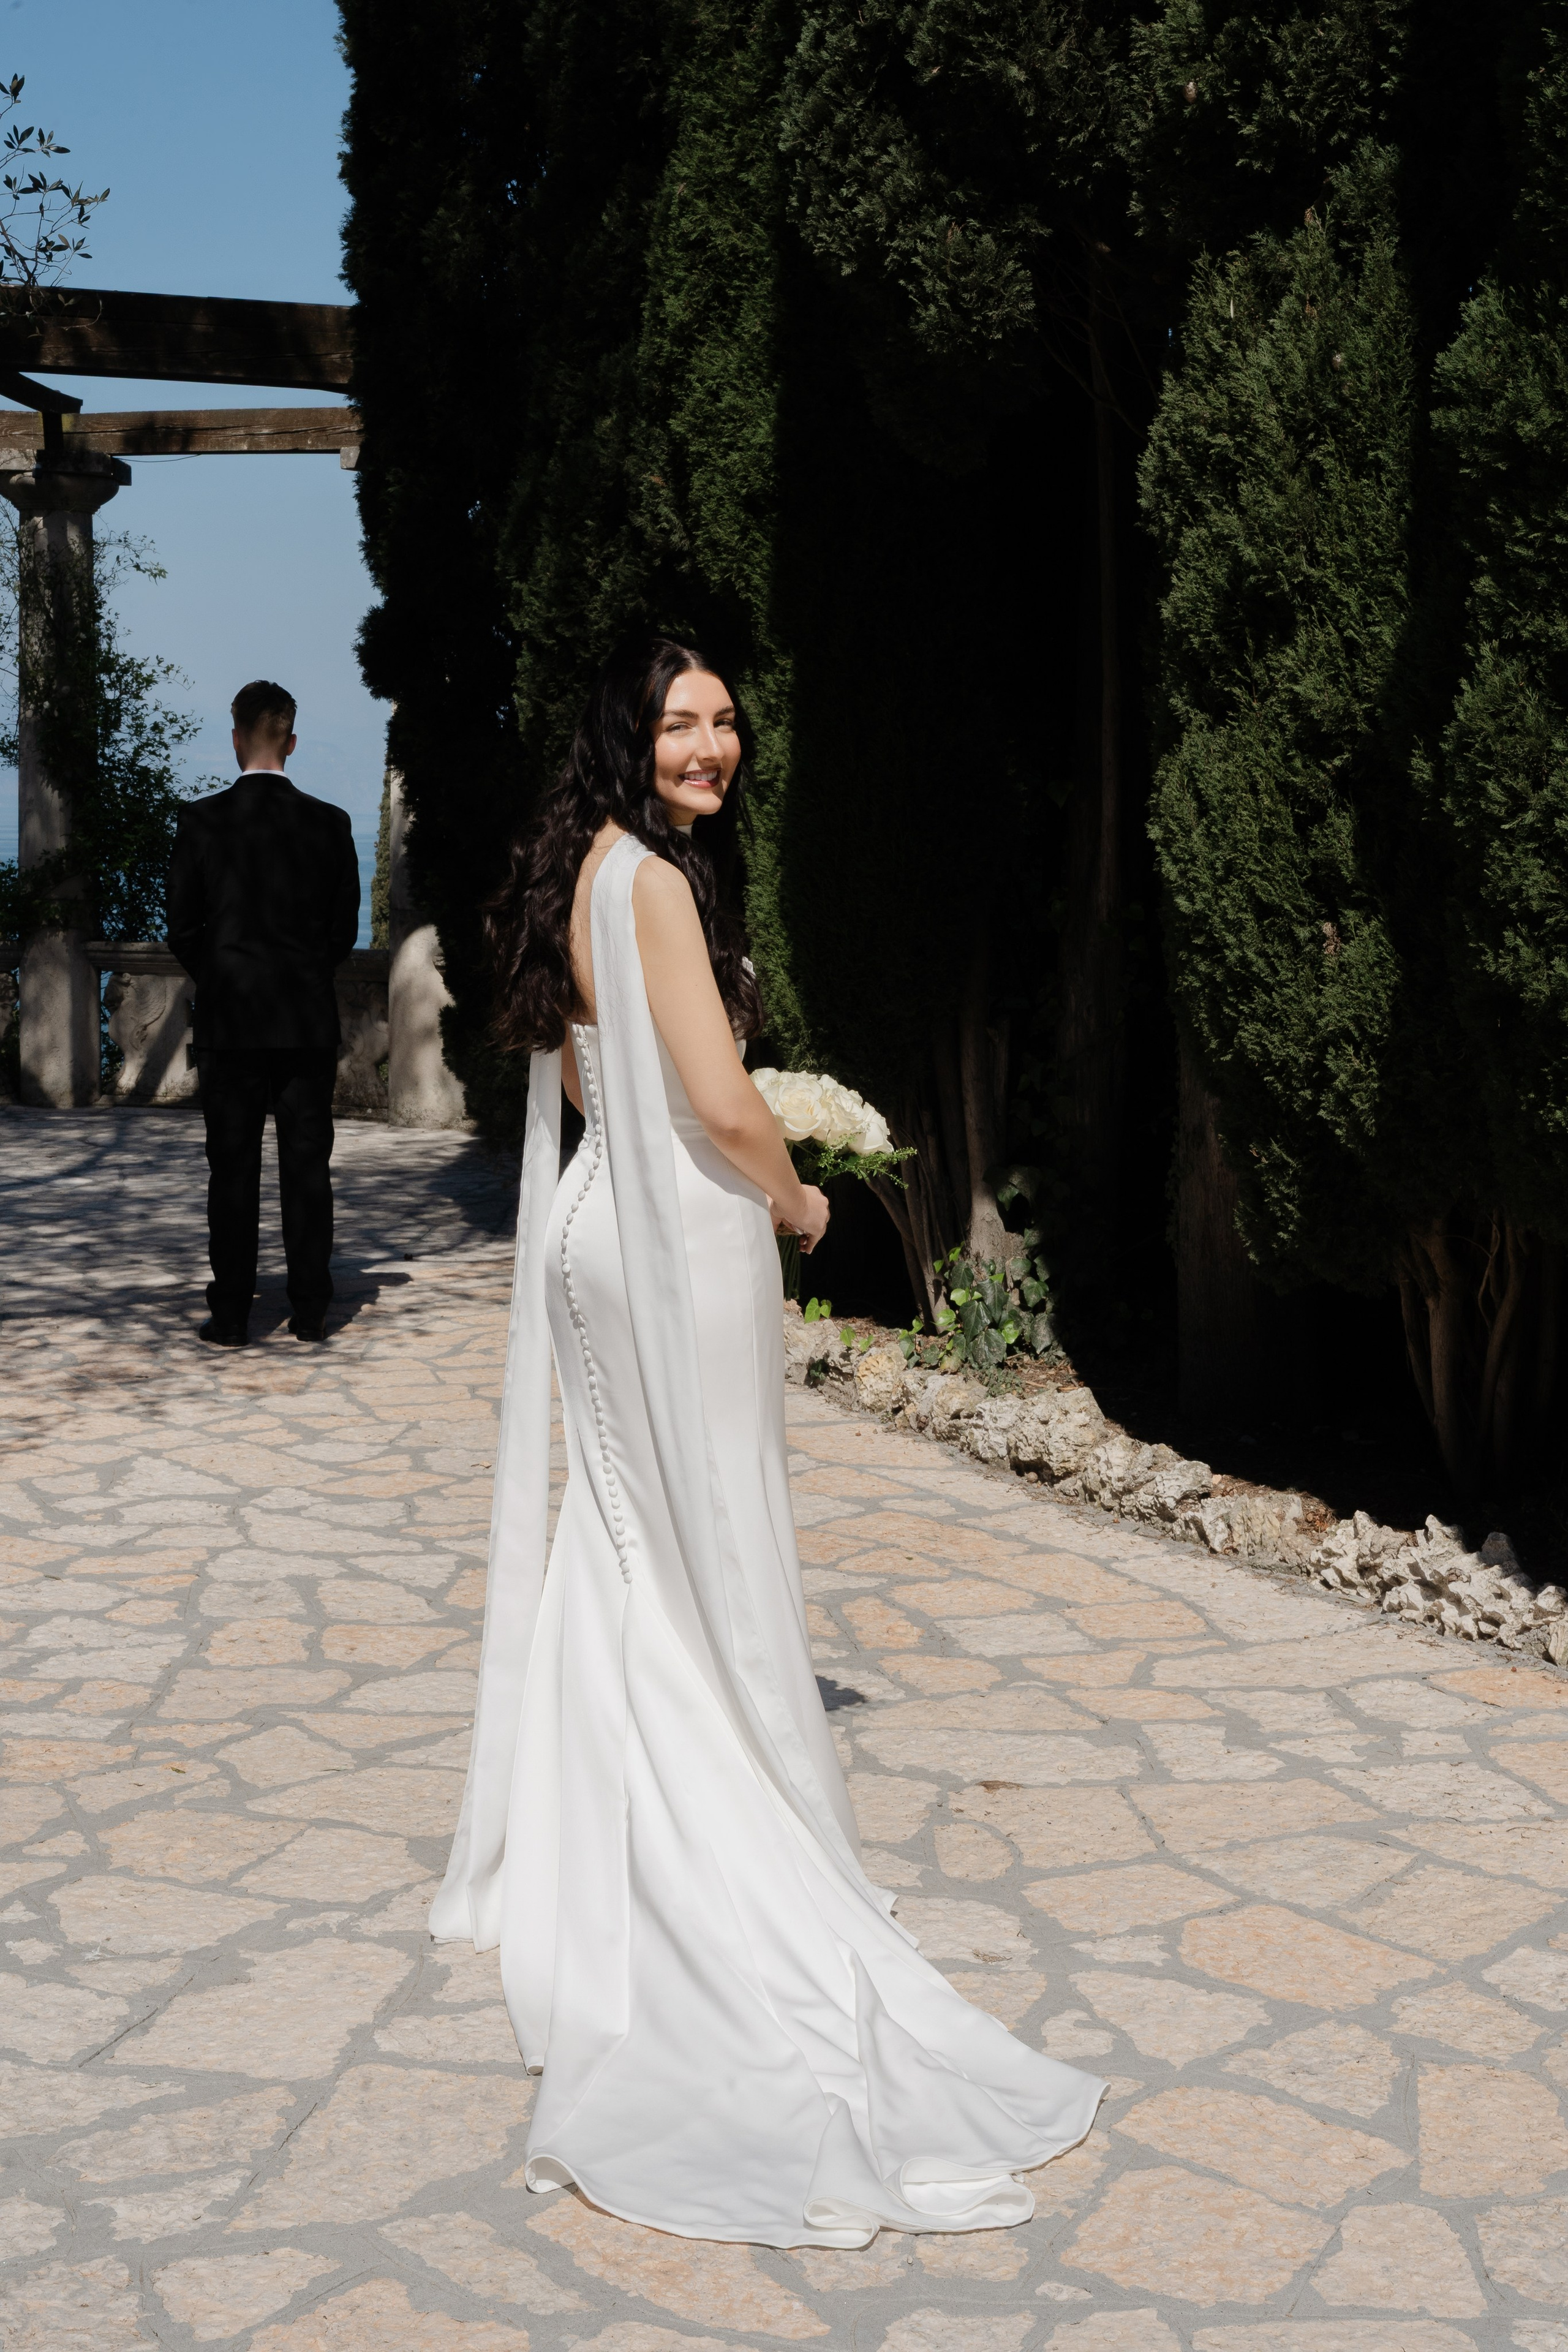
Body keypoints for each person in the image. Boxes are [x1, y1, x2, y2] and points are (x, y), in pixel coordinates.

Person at [433, 634, 1104, 2248]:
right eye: (682, 722)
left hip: (600, 1229)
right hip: (677, 1236)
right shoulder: (656, 885)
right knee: (717, 1545)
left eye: (727, 721)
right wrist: (799, 1196)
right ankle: (726, 1825)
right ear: (629, 737)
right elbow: (720, 1103)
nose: (713, 746)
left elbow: (605, 1086)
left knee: (627, 1541)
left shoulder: (586, 869)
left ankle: (601, 1830)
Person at [166, 679, 360, 1348]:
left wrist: (222, 977)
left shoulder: (201, 822)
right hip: (305, 1020)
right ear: (293, 741)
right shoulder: (331, 823)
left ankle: (230, 1317)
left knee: (233, 1171)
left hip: (232, 1021)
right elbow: (342, 933)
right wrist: (303, 976)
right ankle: (309, 1313)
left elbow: (182, 927)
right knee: (308, 1168)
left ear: (236, 738)